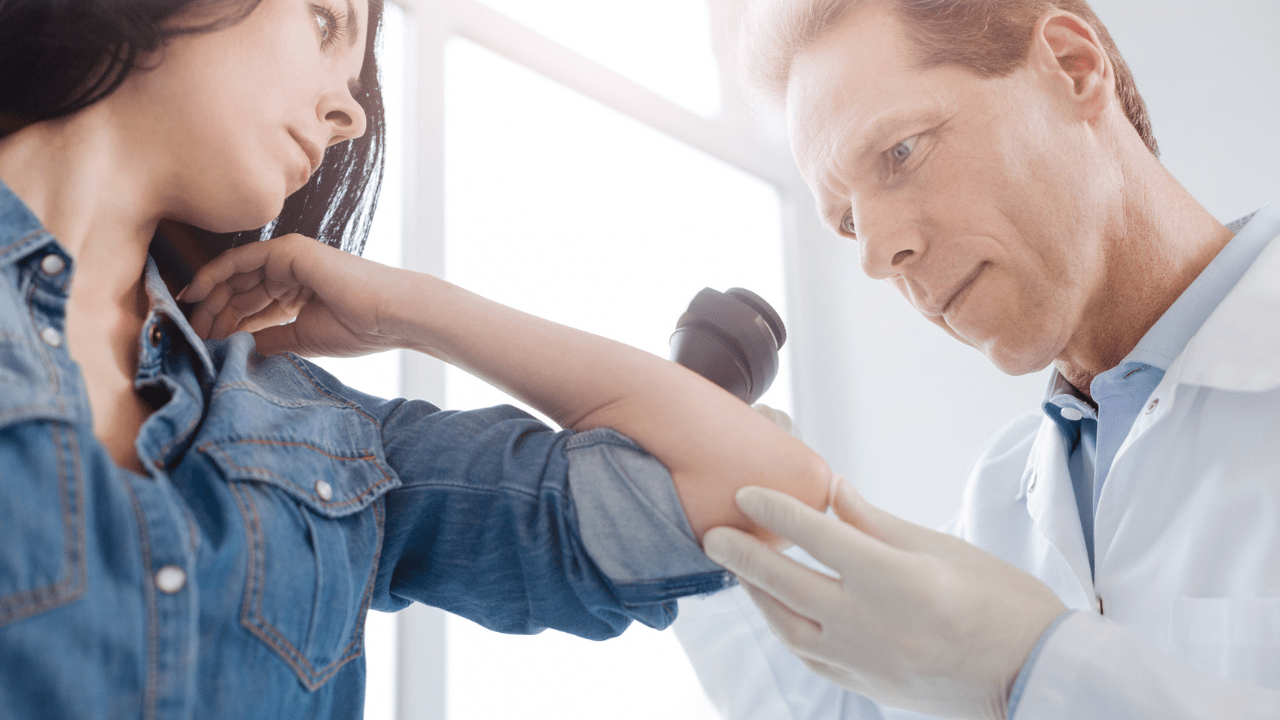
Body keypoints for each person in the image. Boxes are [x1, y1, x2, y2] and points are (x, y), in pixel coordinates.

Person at [0, 1, 833, 717]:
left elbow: (757, 493)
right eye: (324, 21)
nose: (352, 114)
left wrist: (413, 311)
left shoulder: (323, 436)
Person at [673, 0, 1280, 718]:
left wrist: (1038, 667)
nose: (876, 254)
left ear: (1072, 68)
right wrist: (703, 512)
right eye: (849, 221)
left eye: (901, 152)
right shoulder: (1000, 500)